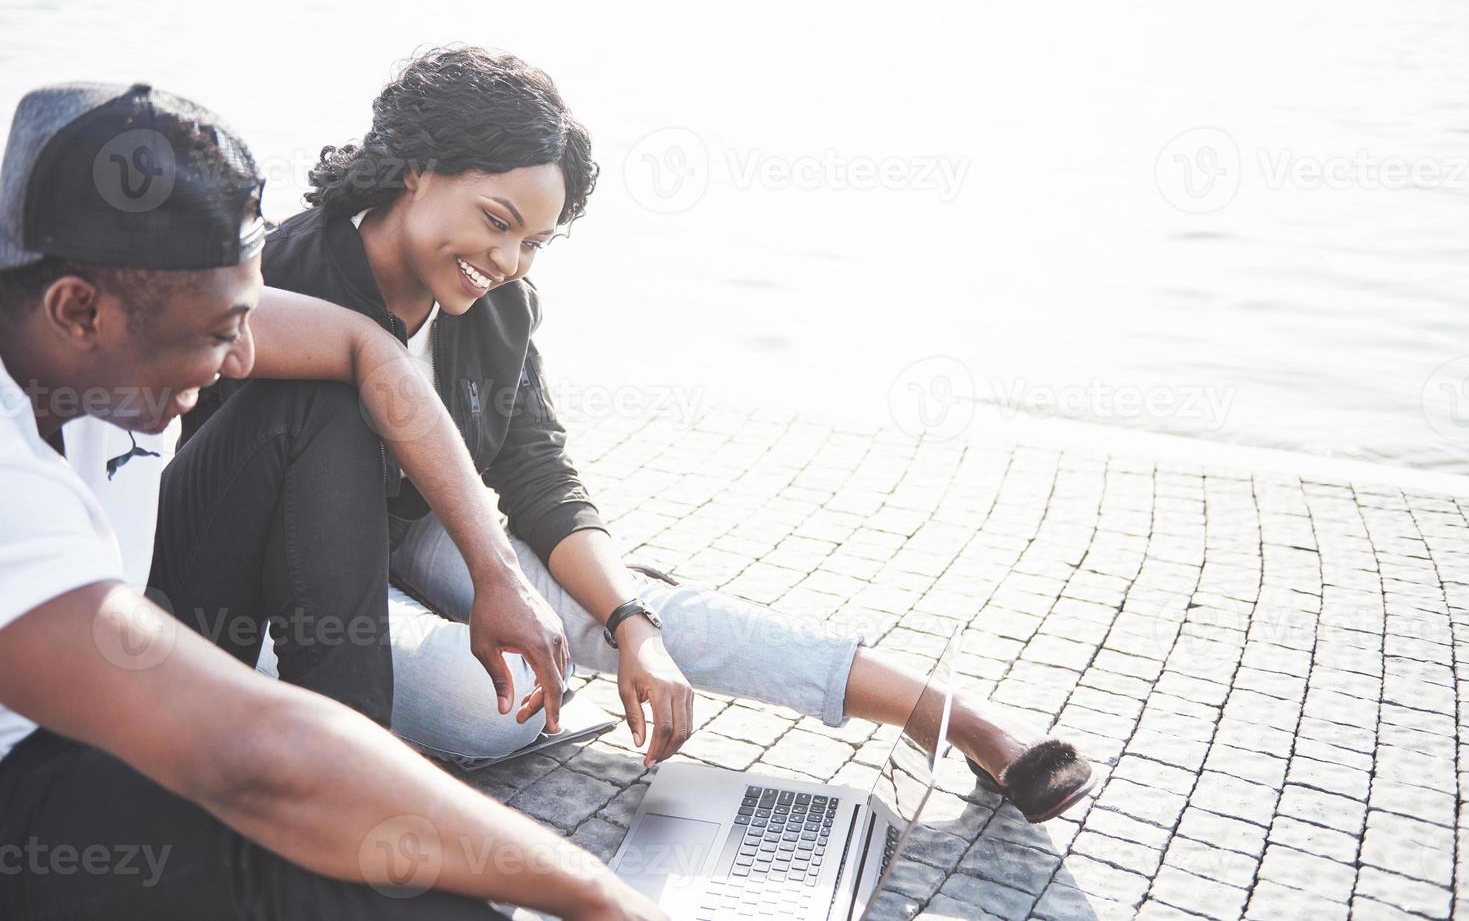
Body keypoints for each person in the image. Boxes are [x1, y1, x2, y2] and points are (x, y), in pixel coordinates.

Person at [199, 46, 1095, 824]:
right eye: (498, 224)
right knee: (490, 706)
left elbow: (539, 475)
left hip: (419, 530)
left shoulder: (498, 311)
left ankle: (953, 718)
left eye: (535, 243)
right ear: (415, 170)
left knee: (638, 616)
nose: (507, 263)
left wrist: (630, 624)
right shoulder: (281, 281)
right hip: (291, 593)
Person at [0, 81, 667, 919]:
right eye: (213, 337)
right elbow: (258, 763)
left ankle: (357, 747)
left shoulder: (100, 317)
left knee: (323, 390)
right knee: (357, 862)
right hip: (28, 794)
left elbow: (363, 348)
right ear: (76, 310)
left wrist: (495, 572)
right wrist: (599, 895)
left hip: (131, 656)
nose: (233, 359)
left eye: (242, 322)